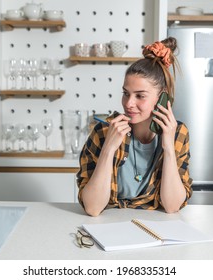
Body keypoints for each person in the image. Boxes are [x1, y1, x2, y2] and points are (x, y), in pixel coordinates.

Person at [76, 37, 192, 217]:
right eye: (126, 93)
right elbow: (92, 208)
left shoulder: (177, 134)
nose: (128, 103)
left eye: (140, 96)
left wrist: (168, 147)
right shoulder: (104, 131)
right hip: (111, 226)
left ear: (162, 98)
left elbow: (172, 206)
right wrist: (108, 148)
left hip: (158, 227)